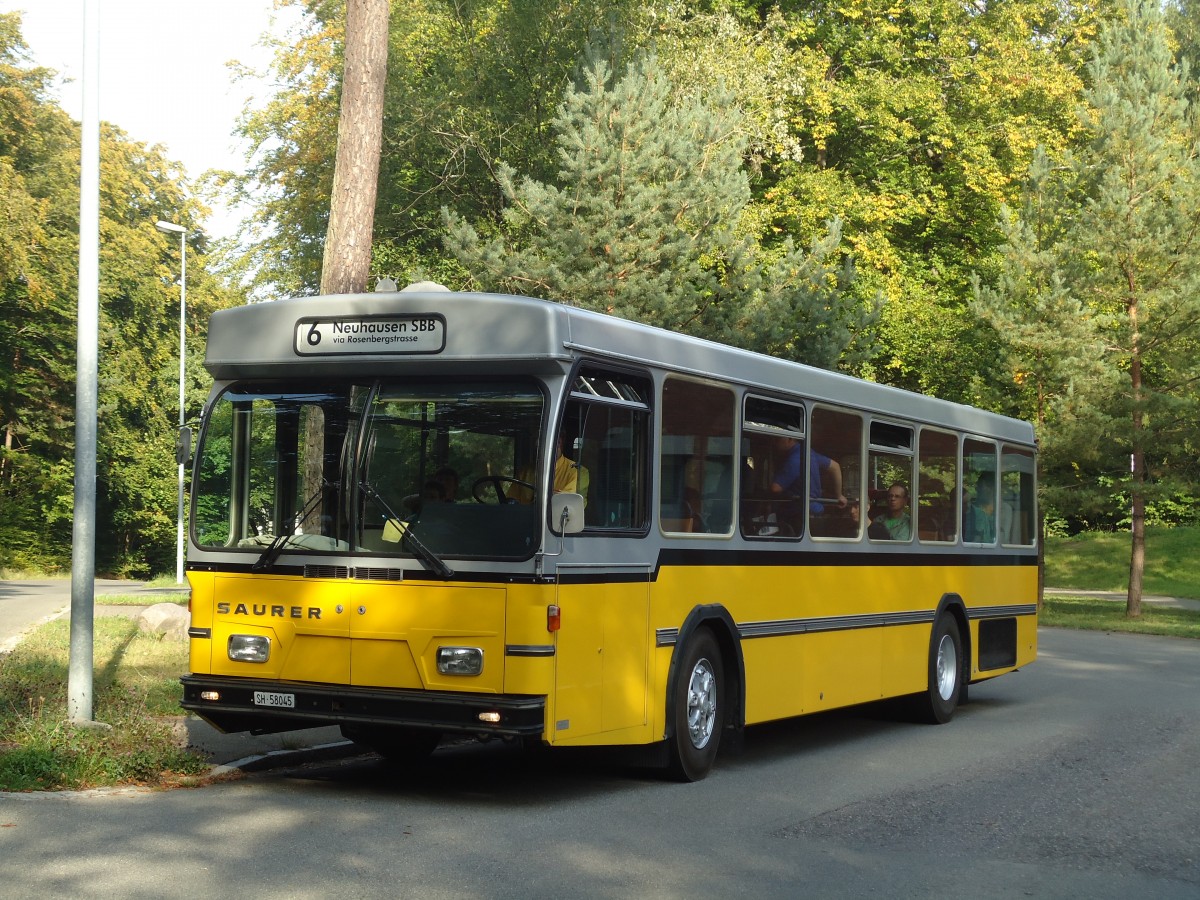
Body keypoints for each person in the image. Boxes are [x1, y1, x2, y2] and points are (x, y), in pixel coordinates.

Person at [769, 436, 845, 514]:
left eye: (778, 438)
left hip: (800, 511)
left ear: (790, 439)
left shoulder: (794, 459)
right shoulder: (808, 452)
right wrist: (839, 495)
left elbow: (775, 488)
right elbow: (835, 467)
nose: (775, 442)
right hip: (817, 508)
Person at [964, 472, 996, 543]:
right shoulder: (972, 509)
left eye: (980, 486)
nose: (977, 489)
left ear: (991, 488)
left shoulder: (1004, 509)